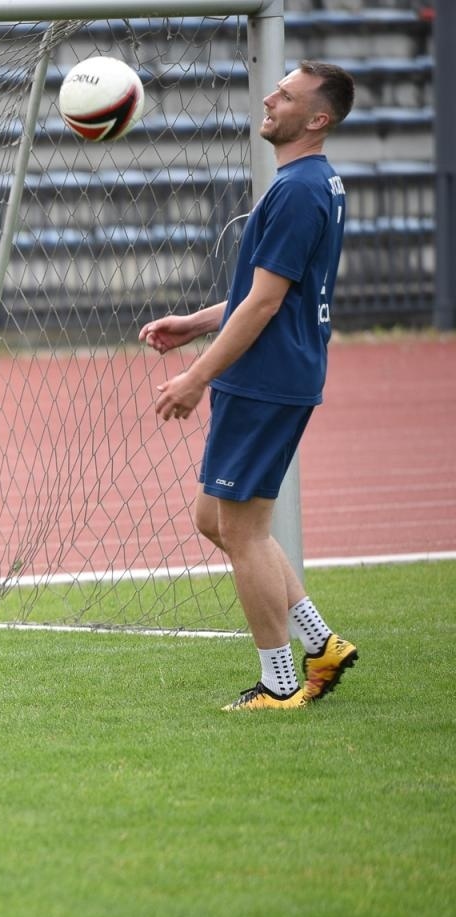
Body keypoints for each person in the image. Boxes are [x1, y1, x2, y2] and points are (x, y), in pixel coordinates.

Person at [142, 61, 359, 711]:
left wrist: (194, 377)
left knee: (244, 532)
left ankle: (281, 682)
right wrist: (197, 323)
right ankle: (322, 643)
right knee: (217, 519)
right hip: (270, 373)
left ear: (317, 119)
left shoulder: (298, 190)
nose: (270, 98)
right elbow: (263, 294)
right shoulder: (308, 182)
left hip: (266, 378)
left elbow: (265, 306)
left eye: (287, 95)